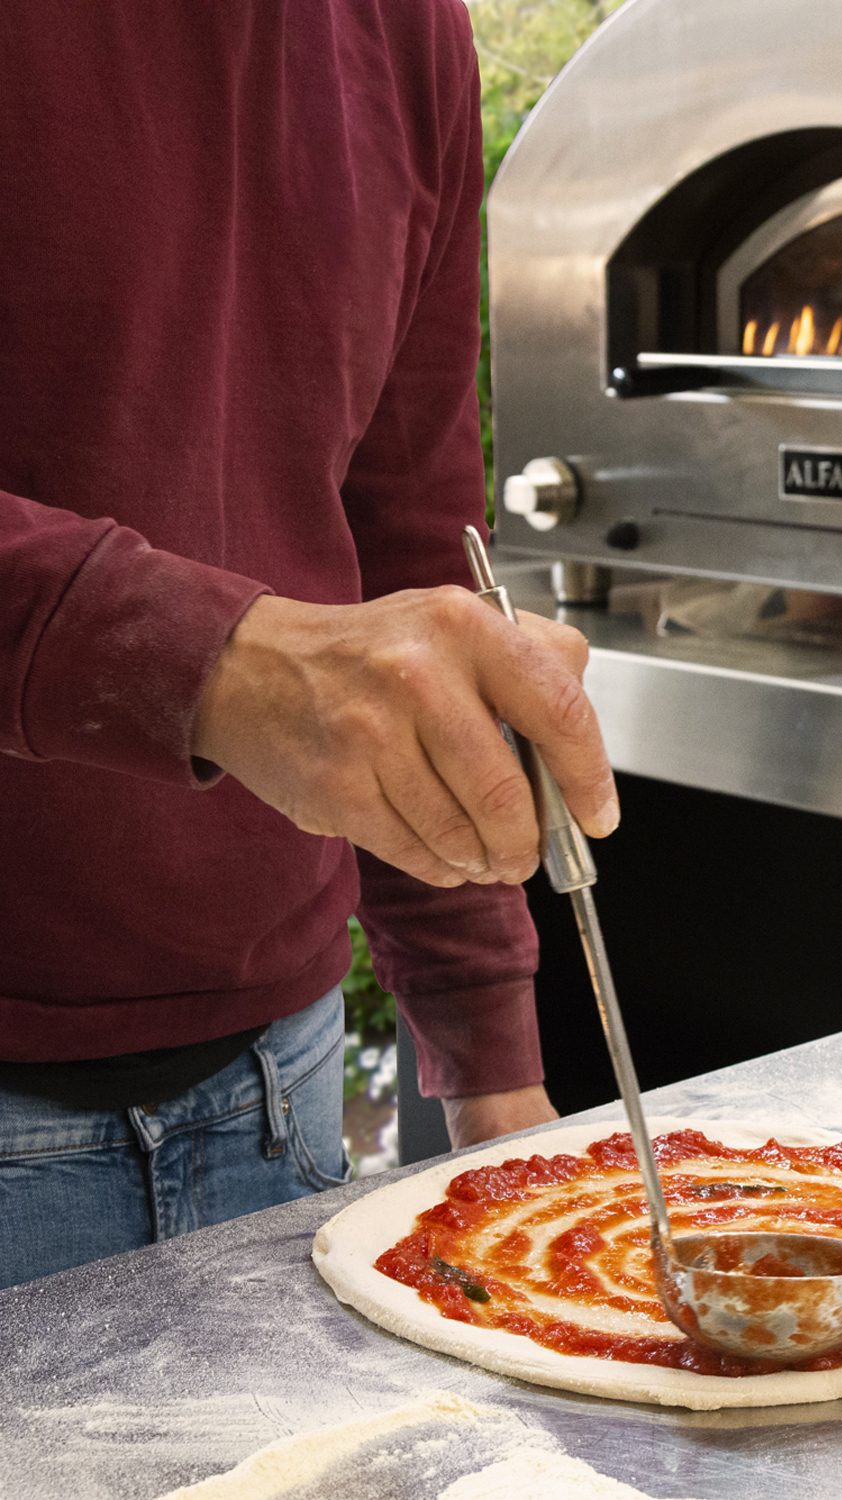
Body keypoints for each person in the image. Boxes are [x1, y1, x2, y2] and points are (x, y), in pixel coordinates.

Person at [0, 1, 617, 1289]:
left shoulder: (406, 25)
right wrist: (218, 667)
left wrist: (495, 1061)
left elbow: (404, 540)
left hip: (281, 1091)